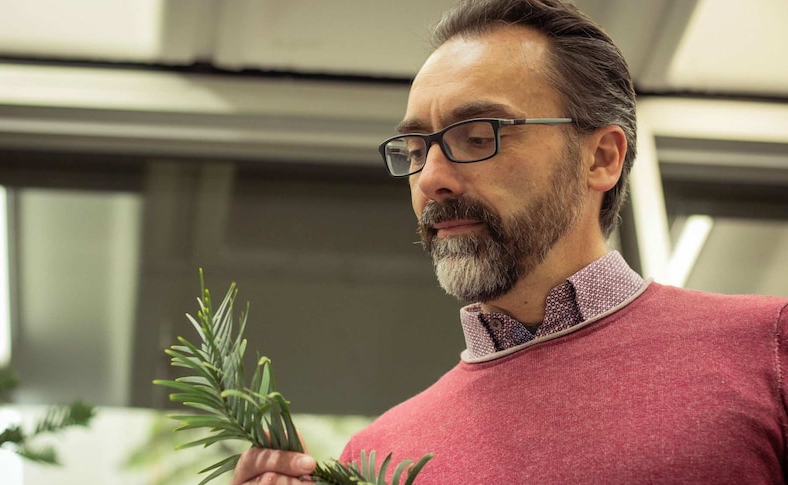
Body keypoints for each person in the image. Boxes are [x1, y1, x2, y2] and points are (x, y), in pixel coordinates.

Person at [231, 0, 788, 483]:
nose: (430, 179)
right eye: (416, 148)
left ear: (601, 158)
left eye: (478, 137)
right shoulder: (376, 457)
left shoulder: (769, 349)